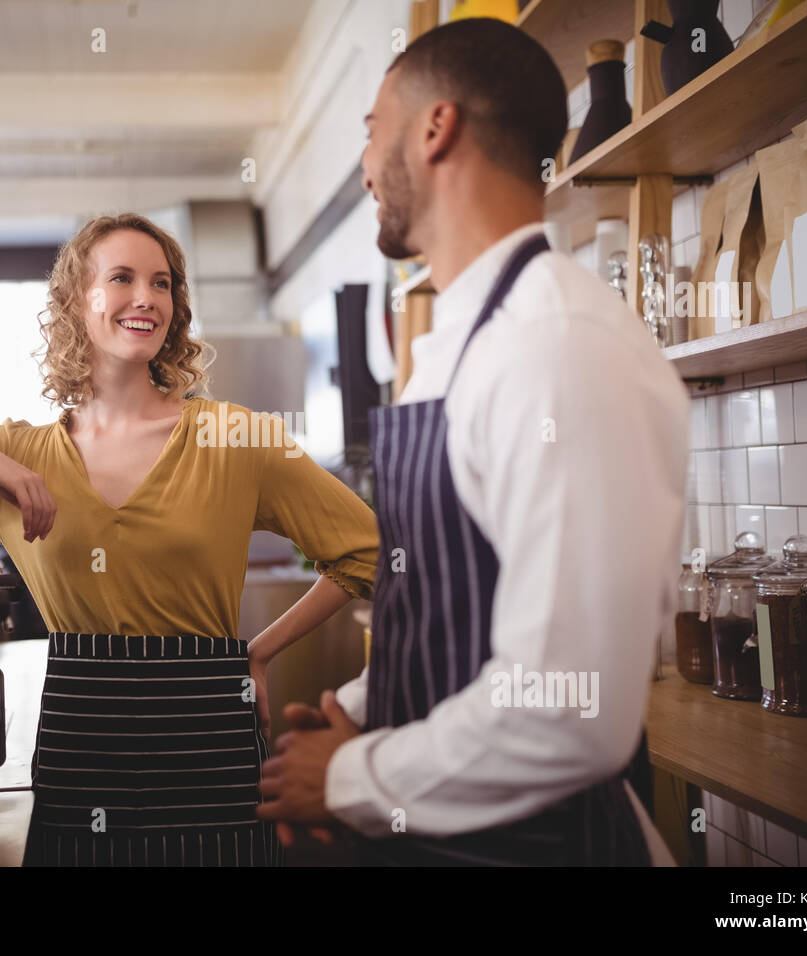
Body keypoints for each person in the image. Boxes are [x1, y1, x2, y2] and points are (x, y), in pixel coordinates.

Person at [258, 18, 689, 865]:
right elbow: (454, 610)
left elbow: (570, 709)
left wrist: (348, 778)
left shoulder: (559, 343)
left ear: (434, 127)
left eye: (371, 131)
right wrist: (363, 705)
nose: (365, 164)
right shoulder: (452, 347)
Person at [0, 212, 378, 867]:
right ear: (75, 300)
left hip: (211, 754)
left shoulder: (234, 436)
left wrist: (259, 653)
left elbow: (370, 552)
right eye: (122, 277)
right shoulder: (18, 453)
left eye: (163, 283)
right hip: (81, 757)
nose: (146, 297)